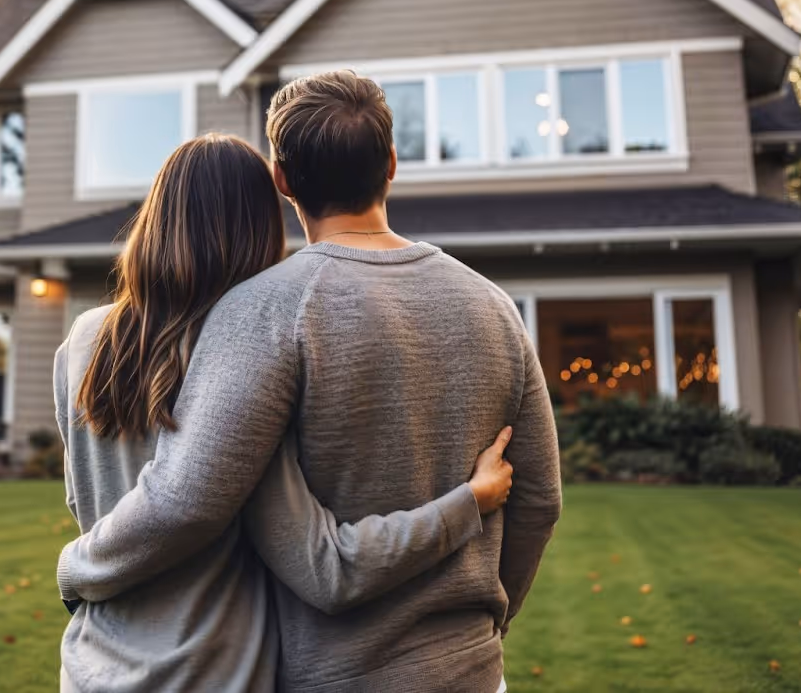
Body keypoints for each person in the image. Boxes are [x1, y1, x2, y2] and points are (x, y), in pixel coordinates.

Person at [58, 72, 563, 691]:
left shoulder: (266, 310)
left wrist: (78, 567)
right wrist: (488, 614)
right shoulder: (493, 305)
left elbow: (192, 503)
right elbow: (539, 500)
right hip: (473, 667)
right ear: (392, 165)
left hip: (332, 672)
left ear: (284, 180)